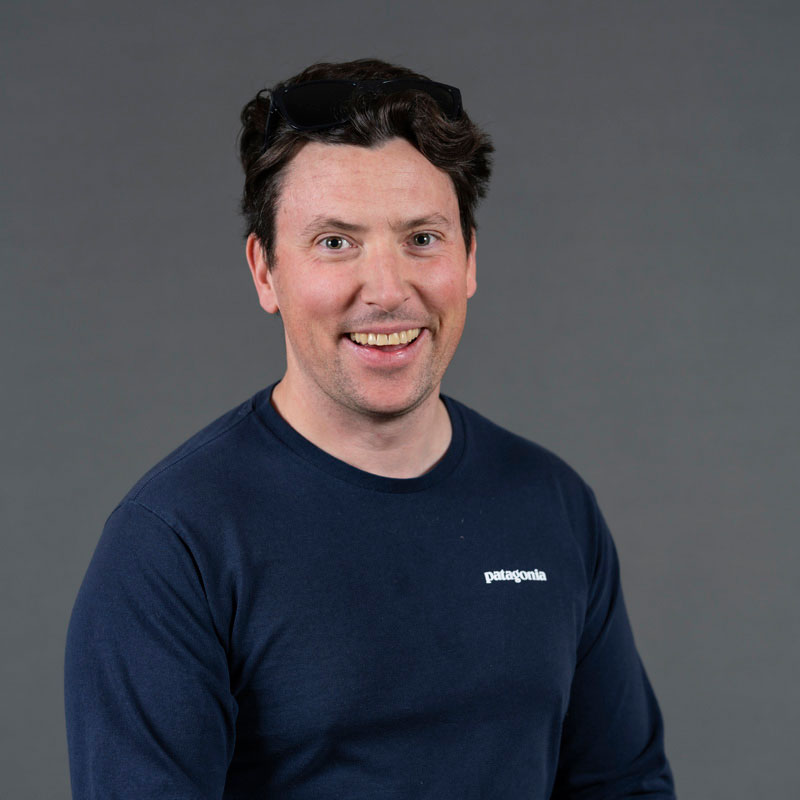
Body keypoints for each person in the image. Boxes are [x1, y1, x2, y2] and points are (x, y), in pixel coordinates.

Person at [65, 58, 676, 799]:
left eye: (422, 238)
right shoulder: (173, 543)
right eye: (335, 242)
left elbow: (625, 783)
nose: (387, 291)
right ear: (265, 271)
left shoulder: (551, 503)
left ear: (469, 257)